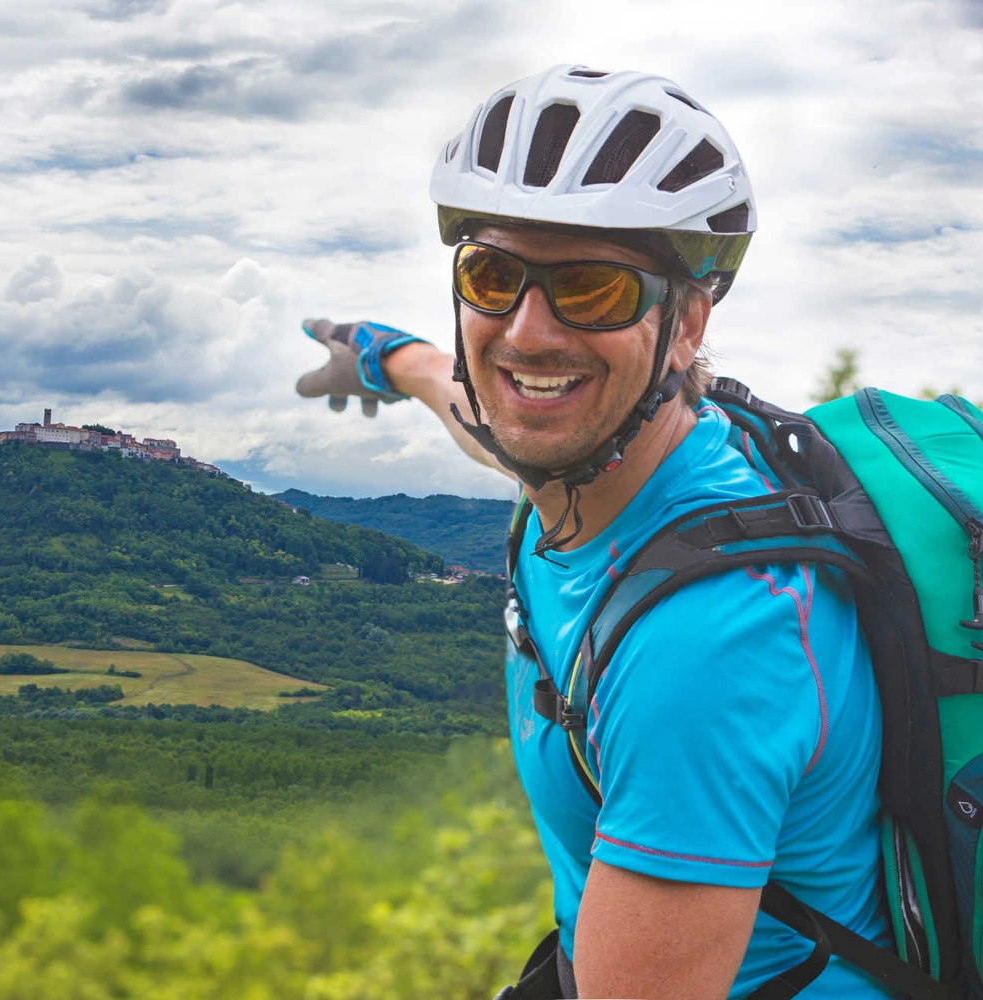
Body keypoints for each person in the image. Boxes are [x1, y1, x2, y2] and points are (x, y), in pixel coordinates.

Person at [296, 66, 892, 999]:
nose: (529, 334)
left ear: (687, 321)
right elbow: (485, 406)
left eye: (593, 290)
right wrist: (384, 356)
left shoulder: (711, 645)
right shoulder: (622, 453)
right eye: (490, 277)